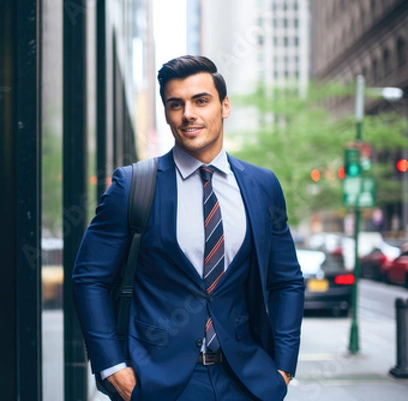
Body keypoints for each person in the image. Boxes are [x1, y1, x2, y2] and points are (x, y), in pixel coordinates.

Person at [72, 55, 305, 401]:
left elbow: (286, 280)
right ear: (166, 113)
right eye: (175, 104)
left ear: (224, 106)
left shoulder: (262, 185)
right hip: (158, 383)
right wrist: (112, 368)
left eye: (201, 100)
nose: (188, 114)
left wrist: (283, 369)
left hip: (247, 380)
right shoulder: (132, 186)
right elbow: (89, 278)